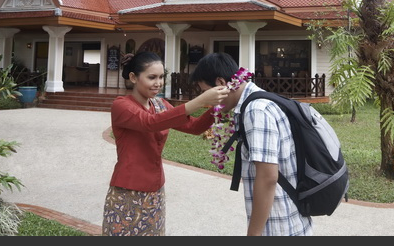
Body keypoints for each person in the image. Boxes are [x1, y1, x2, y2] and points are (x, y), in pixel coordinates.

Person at [103, 51, 229, 236]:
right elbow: (150, 123)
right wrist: (200, 101)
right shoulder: (121, 106)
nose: (158, 83)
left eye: (162, 77)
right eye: (152, 77)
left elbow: (193, 127)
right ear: (133, 77)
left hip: (155, 191)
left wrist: (222, 105)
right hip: (127, 192)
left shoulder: (160, 104)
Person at [190, 52, 313, 236]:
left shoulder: (256, 111)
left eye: (204, 92)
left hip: (279, 227)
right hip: (290, 220)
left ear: (221, 83)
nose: (207, 102)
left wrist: (253, 235)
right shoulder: (259, 100)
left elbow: (268, 178)